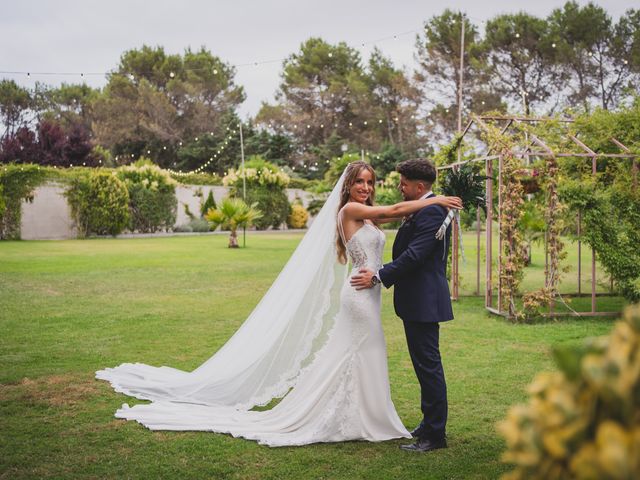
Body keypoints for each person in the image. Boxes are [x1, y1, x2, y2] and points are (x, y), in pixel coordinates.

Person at [96, 161, 461, 447]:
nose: (365, 187)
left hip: (370, 292)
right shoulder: (350, 211)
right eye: (359, 181)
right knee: (358, 352)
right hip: (359, 294)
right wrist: (436, 200)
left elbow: (394, 218)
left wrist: (390, 259)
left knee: (365, 354)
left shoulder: (365, 210)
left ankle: (367, 417)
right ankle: (356, 418)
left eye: (369, 181)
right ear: (348, 186)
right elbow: (394, 210)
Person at [350, 159, 453, 453]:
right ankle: (429, 423)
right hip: (417, 298)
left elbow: (415, 255)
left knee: (429, 366)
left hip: (424, 299)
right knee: (424, 365)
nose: (400, 187)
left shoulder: (432, 209)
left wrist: (379, 276)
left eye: (404, 183)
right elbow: (392, 214)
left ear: (419, 186)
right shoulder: (425, 206)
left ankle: (435, 435)